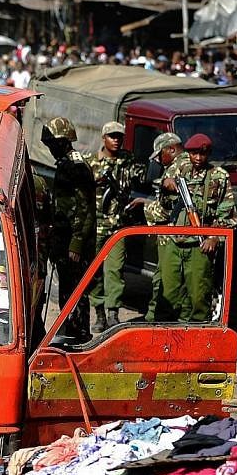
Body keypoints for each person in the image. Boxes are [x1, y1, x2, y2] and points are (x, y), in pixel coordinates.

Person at [158, 133, 237, 321]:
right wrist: (165, 186)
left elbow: (227, 214)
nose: (198, 158)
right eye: (194, 154)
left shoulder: (218, 176)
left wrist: (214, 237)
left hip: (198, 245)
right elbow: (164, 205)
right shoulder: (179, 169)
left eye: (203, 154)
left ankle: (196, 340)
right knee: (167, 296)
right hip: (175, 241)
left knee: (198, 299)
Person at [84, 121, 146, 331]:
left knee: (115, 271)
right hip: (96, 226)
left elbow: (143, 176)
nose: (116, 140)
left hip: (118, 227)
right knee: (95, 272)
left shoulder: (128, 161)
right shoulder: (91, 163)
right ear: (104, 138)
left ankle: (113, 313)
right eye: (112, 136)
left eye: (119, 136)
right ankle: (99, 313)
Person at [40, 117, 96, 342]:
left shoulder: (76, 167)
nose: (51, 148)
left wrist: (76, 243)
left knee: (76, 288)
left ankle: (79, 332)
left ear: (63, 142)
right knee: (67, 288)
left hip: (75, 242)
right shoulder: (65, 163)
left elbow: (84, 209)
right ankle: (69, 328)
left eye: (53, 144)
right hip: (64, 238)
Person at [143, 132, 189, 322]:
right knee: (162, 280)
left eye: (160, 155)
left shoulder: (179, 167)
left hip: (173, 235)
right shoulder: (179, 166)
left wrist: (147, 208)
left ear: (171, 149)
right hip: (170, 235)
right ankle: (154, 320)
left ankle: (158, 322)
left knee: (166, 284)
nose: (160, 161)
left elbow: (170, 208)